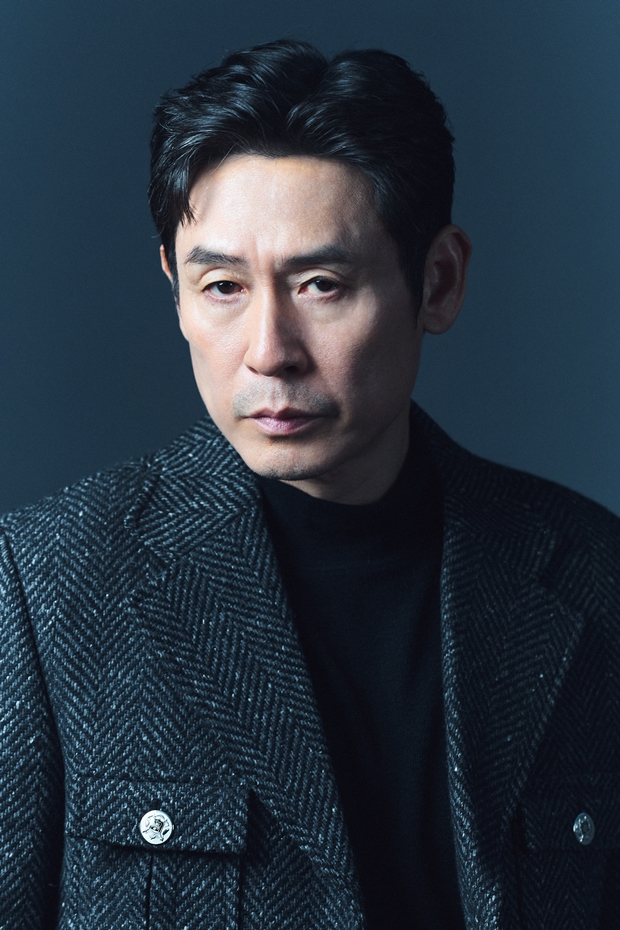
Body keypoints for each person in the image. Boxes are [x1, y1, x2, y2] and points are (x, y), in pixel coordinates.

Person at [1, 37, 619, 930]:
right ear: (174, 287)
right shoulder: (46, 585)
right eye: (222, 286)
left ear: (438, 283)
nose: (268, 352)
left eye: (322, 284)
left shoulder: (592, 575)